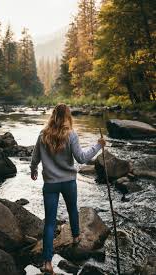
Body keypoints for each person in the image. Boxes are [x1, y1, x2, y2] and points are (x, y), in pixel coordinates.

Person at [30, 103, 106, 274]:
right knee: (73, 209)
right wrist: (98, 146)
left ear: (53, 116)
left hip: (50, 184)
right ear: (67, 117)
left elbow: (35, 157)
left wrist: (33, 169)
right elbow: (82, 158)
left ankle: (47, 263)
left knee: (49, 223)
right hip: (68, 182)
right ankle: (77, 236)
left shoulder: (43, 135)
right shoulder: (71, 135)